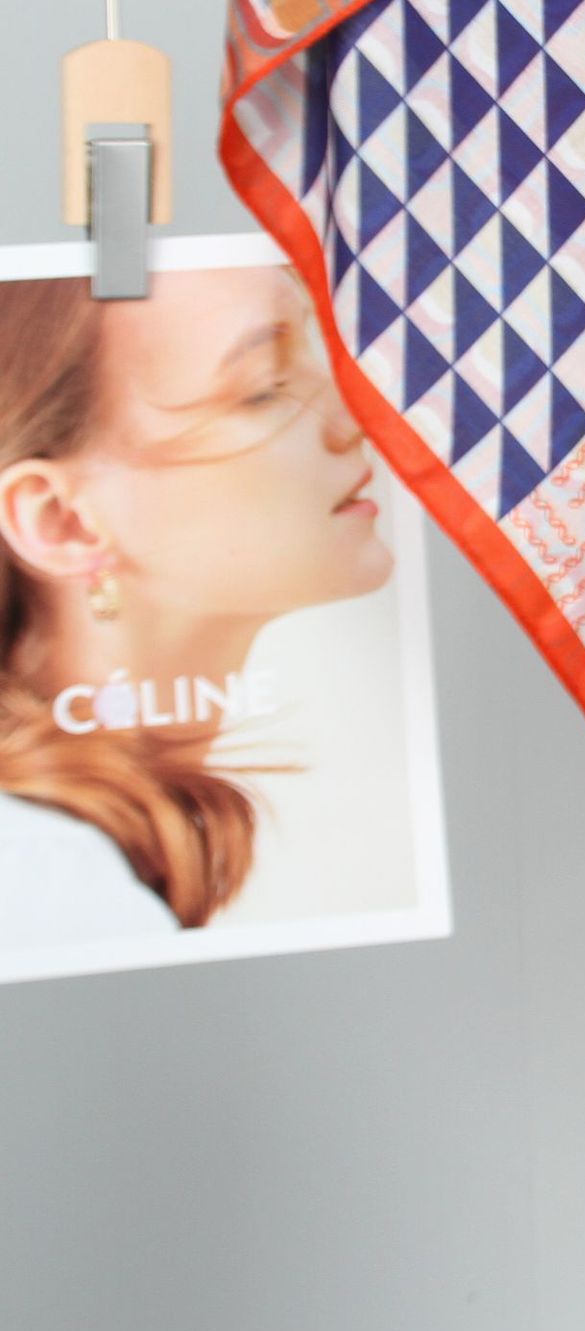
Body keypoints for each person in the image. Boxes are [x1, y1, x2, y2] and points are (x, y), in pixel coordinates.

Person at [0, 260, 393, 948]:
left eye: (315, 349)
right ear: (64, 521)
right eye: (265, 388)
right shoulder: (50, 883)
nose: (358, 416)